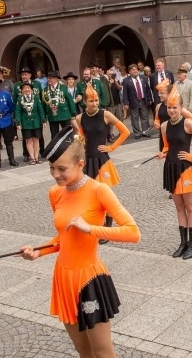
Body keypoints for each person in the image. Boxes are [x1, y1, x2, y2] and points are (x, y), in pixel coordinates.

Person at [19, 126, 141, 358]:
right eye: (52, 169)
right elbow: (63, 237)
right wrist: (38, 251)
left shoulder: (99, 190)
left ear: (81, 164)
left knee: (102, 351)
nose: (56, 175)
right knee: (83, 351)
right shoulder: (55, 193)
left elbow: (133, 232)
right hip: (63, 279)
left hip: (89, 281)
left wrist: (92, 229)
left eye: (62, 169)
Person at [156, 86, 192, 259]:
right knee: (178, 207)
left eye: (175, 107)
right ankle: (183, 243)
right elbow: (167, 145)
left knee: (189, 206)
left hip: (185, 169)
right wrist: (163, 152)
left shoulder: (187, 123)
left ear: (181, 108)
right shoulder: (164, 126)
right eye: (169, 107)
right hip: (170, 168)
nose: (172, 110)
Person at [73, 85, 130, 245]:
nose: (94, 103)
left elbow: (125, 131)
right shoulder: (79, 118)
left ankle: (108, 229)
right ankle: (94, 225)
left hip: (102, 161)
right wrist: (77, 152)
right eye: (91, 101)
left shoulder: (106, 114)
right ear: (84, 102)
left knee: (106, 196)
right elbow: (80, 138)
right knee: (90, 196)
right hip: (87, 160)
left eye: (96, 100)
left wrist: (111, 147)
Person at [154, 79, 192, 153]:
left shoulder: (176, 107)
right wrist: (156, 122)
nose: (159, 95)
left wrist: (183, 128)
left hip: (176, 136)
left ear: (169, 94)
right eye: (159, 93)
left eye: (162, 93)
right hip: (164, 135)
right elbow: (157, 118)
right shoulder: (158, 106)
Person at [14, 67, 44, 161]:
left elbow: (41, 103)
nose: (24, 76)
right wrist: (18, 122)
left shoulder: (37, 84)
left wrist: (43, 119)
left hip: (36, 119)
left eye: (26, 74)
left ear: (30, 75)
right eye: (22, 75)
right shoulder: (17, 86)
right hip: (25, 120)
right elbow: (16, 105)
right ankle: (28, 155)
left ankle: (39, 154)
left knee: (37, 138)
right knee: (27, 139)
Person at [122, 63, 153, 139]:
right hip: (133, 101)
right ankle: (137, 133)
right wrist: (126, 103)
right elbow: (125, 93)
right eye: (133, 70)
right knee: (135, 118)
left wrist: (150, 99)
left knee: (145, 117)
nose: (135, 71)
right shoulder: (126, 80)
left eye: (136, 69)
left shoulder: (144, 78)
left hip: (143, 100)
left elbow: (148, 90)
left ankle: (145, 131)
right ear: (129, 71)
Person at [42, 71, 76, 139]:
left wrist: (73, 114)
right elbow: (43, 105)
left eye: (51, 78)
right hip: (52, 116)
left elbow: (70, 101)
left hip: (64, 115)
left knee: (68, 134)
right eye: (48, 78)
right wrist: (44, 118)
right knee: (54, 136)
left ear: (56, 79)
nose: (49, 80)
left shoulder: (64, 88)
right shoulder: (44, 90)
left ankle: (68, 148)